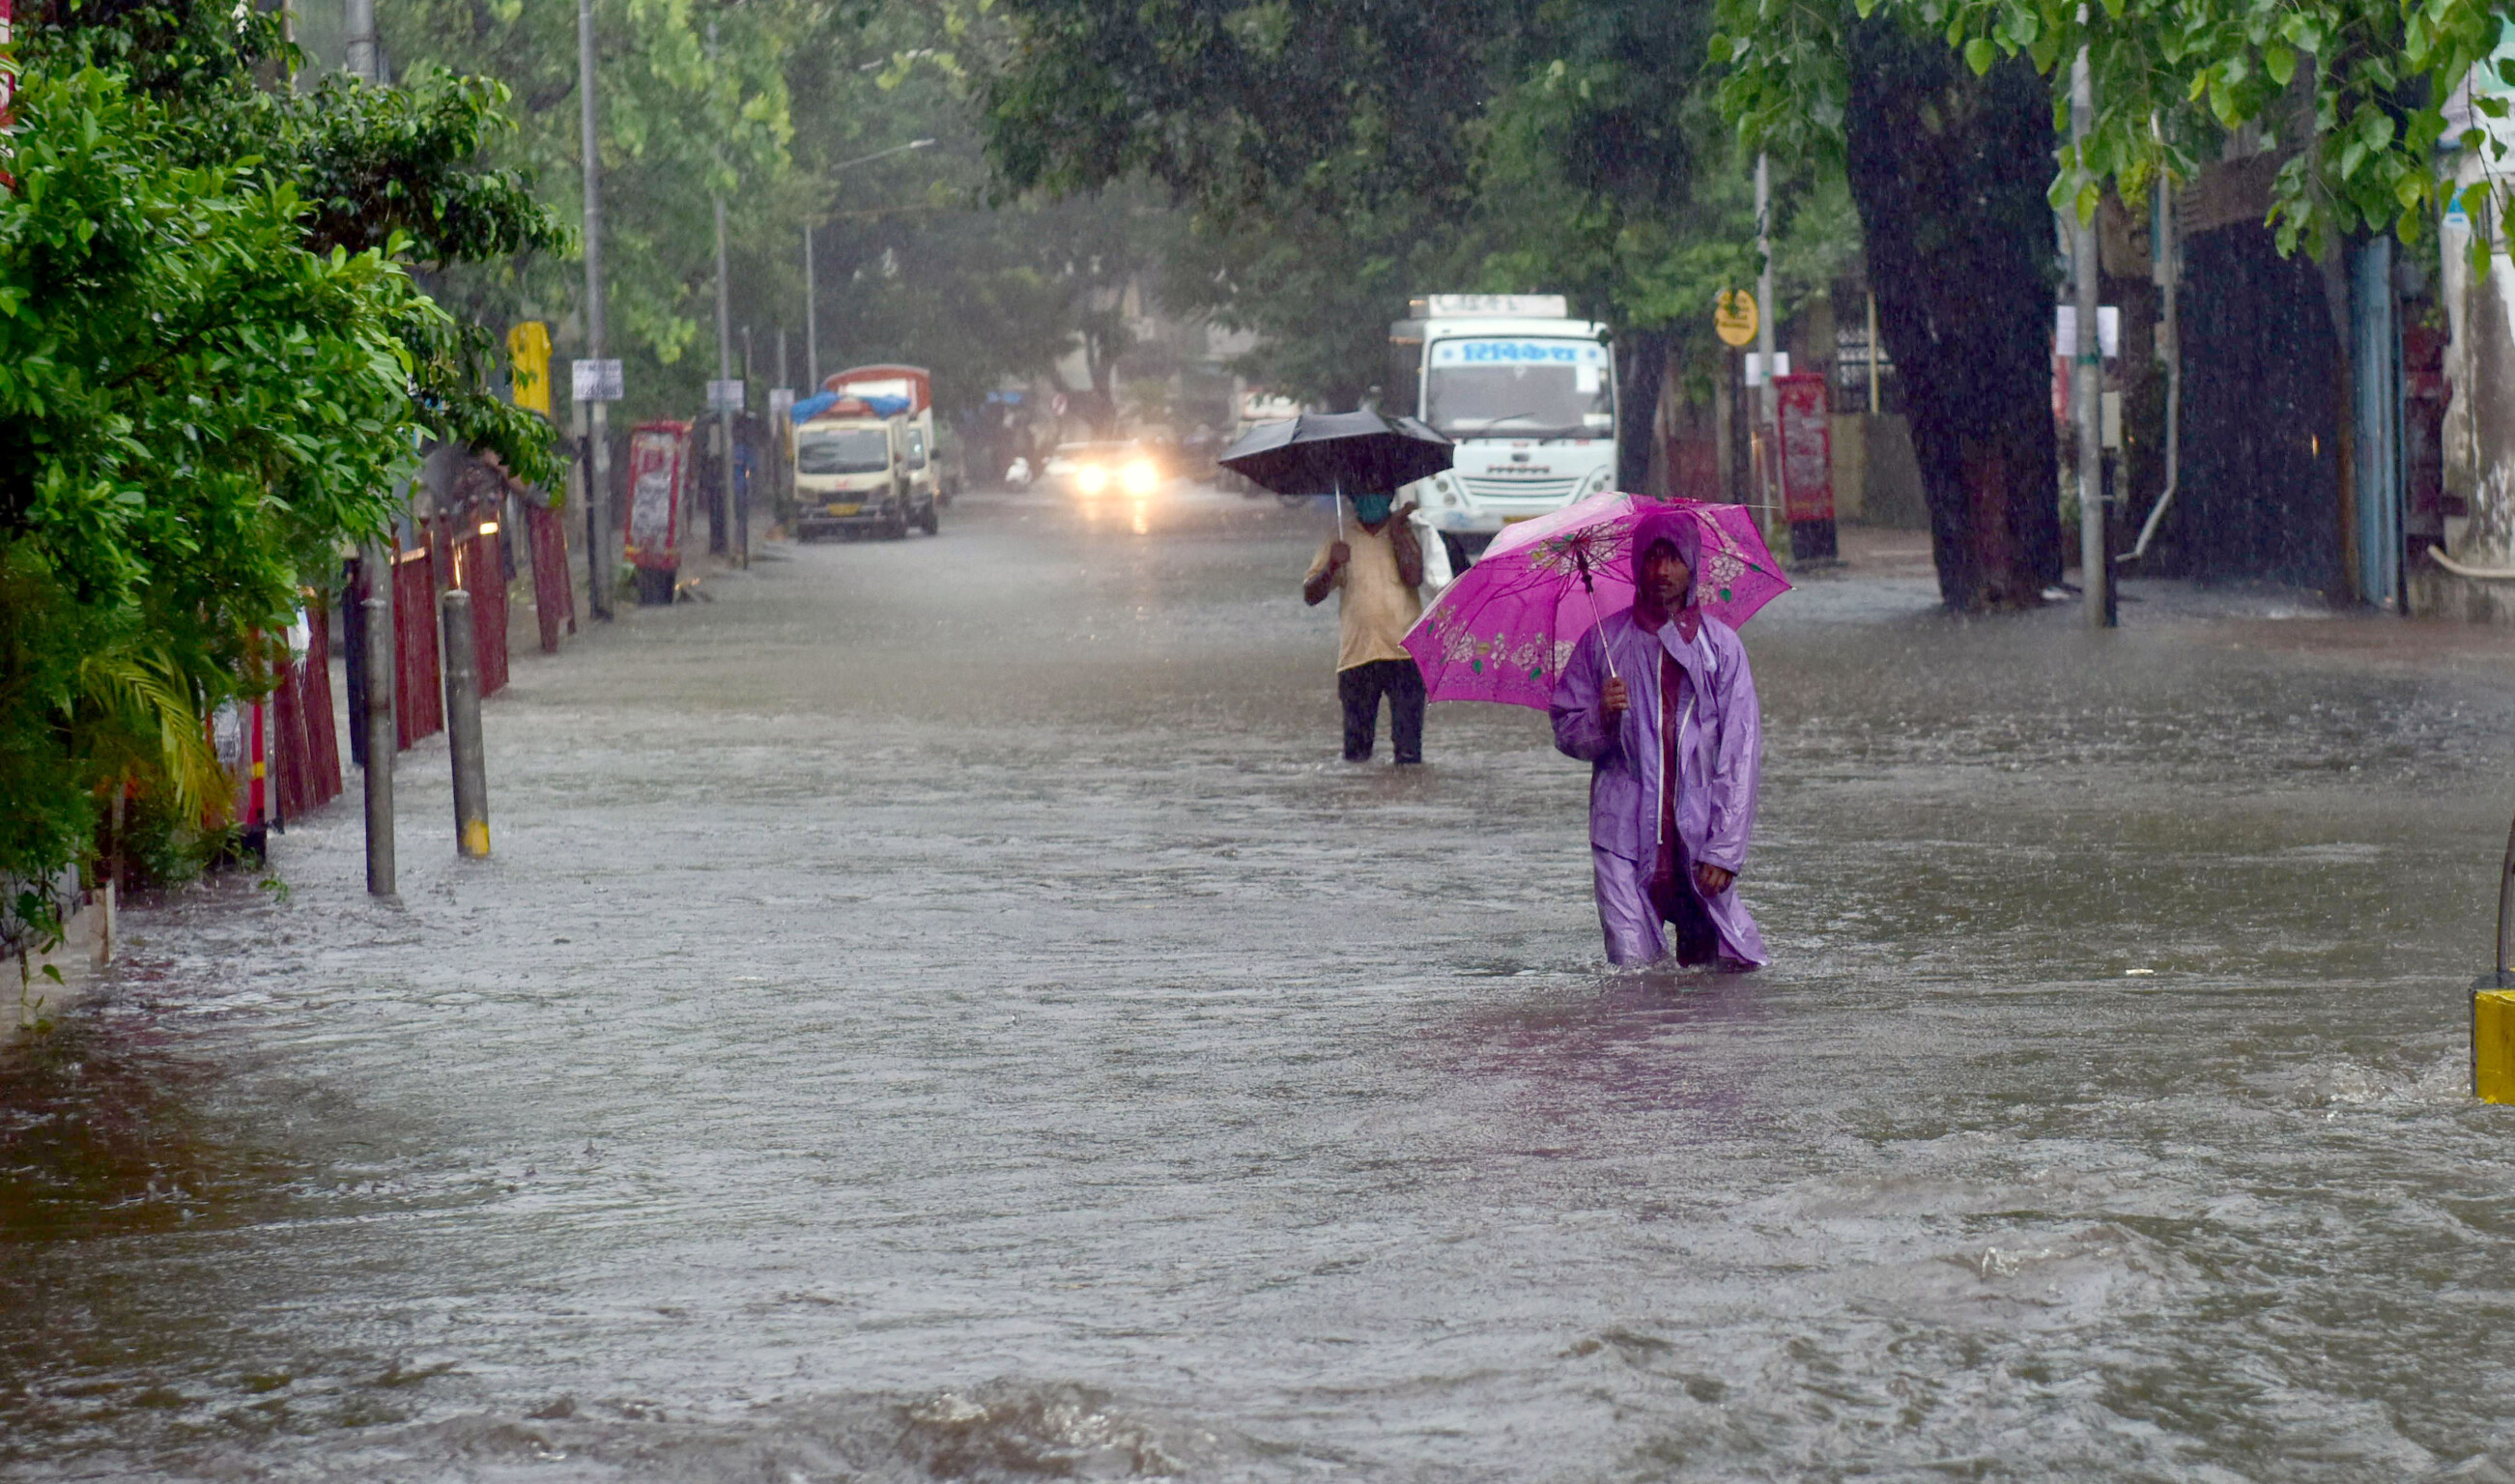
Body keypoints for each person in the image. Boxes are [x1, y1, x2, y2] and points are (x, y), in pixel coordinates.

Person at [1550, 505, 1767, 968]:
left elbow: (1740, 754)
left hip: (1698, 838)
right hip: (1622, 837)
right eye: (1652, 558)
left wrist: (1725, 851)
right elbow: (1567, 732)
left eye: (1674, 558)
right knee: (1635, 985)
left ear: (1693, 565)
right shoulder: (1602, 644)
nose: (1662, 570)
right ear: (1636, 566)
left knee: (1720, 979)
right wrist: (1601, 717)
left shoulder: (1721, 650)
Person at [1302, 491, 1427, 764]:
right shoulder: (1339, 535)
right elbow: (1310, 595)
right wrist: (1332, 564)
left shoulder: (1407, 530)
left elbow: (1415, 576)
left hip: (1406, 655)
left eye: (1377, 490)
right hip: (1357, 656)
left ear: (1389, 494)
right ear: (1352, 497)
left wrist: (1396, 532)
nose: (1370, 497)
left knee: (1409, 755)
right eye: (1364, 490)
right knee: (1356, 756)